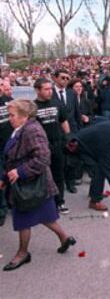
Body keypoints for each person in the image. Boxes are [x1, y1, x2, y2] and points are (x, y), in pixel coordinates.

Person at [0, 99, 76, 271]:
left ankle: (22, 253)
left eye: (12, 115)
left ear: (25, 116)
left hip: (32, 185)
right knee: (45, 216)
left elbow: (43, 158)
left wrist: (19, 172)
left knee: (23, 220)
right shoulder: (21, 128)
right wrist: (5, 178)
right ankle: (64, 239)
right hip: (32, 183)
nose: (9, 118)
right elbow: (14, 157)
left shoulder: (32, 130)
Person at [72, 120, 110, 212]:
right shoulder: (106, 147)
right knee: (99, 172)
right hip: (79, 146)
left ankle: (94, 193)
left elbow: (95, 120)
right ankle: (94, 201)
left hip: (89, 142)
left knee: (99, 168)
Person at [34, 78, 71, 214]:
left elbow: (63, 121)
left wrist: (69, 138)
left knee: (58, 175)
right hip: (41, 148)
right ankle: (43, 204)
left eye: (51, 88)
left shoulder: (57, 103)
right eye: (46, 89)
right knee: (42, 176)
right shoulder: (33, 107)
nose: (50, 92)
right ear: (37, 90)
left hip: (58, 145)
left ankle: (59, 201)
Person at [52, 69, 81, 194]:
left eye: (67, 78)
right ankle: (57, 185)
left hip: (72, 130)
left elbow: (76, 113)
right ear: (55, 78)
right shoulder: (49, 93)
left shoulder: (71, 93)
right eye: (62, 78)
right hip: (55, 131)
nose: (65, 81)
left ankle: (70, 182)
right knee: (58, 159)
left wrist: (78, 130)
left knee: (72, 158)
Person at [0, 80, 13, 226]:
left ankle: (11, 202)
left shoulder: (9, 101)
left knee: (11, 175)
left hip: (11, 146)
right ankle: (2, 210)